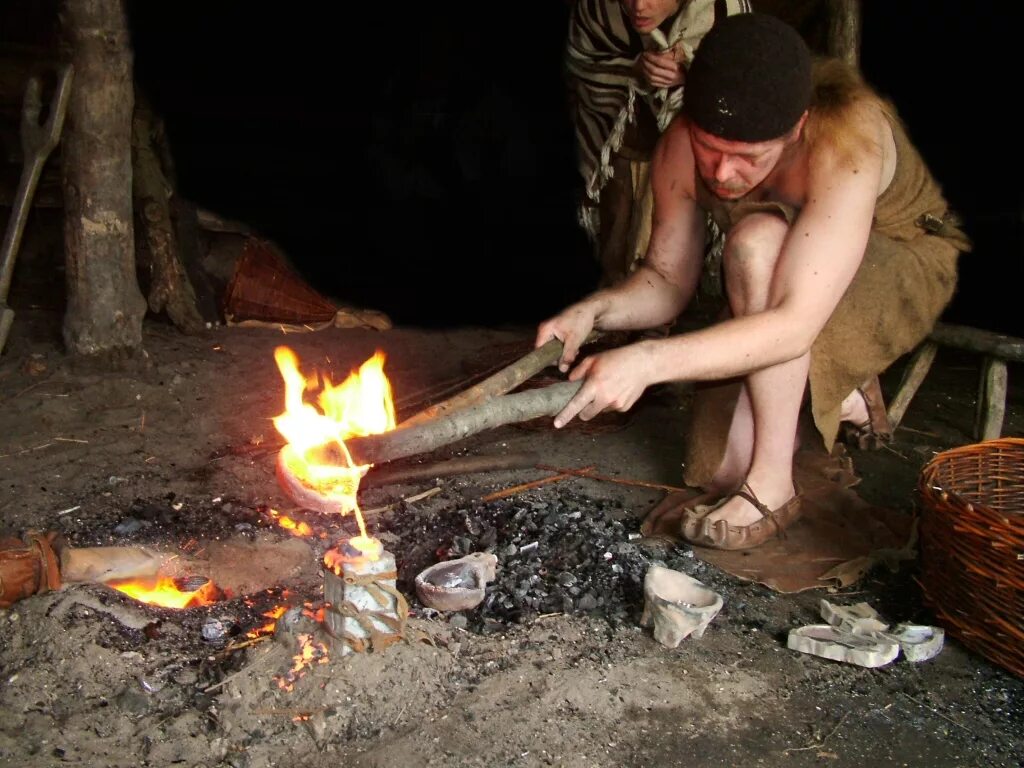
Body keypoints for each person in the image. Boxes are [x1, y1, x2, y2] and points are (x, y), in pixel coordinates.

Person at [537, 13, 970, 550]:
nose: (721, 174)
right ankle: (831, 394)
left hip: (895, 266)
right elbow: (667, 280)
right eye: (709, 149)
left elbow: (789, 326)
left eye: (747, 158)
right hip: (789, 278)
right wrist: (596, 312)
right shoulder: (681, 143)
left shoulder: (846, 139)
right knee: (719, 472)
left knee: (755, 241)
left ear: (795, 129)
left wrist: (646, 363)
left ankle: (775, 485)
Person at [565, 0, 750, 288]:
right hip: (621, 134)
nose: (638, 6)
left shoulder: (724, 10)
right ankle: (616, 286)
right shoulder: (599, 8)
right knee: (617, 211)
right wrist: (632, 69)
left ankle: (673, 291)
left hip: (685, 145)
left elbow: (748, 78)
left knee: (673, 217)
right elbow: (581, 63)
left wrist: (690, 72)